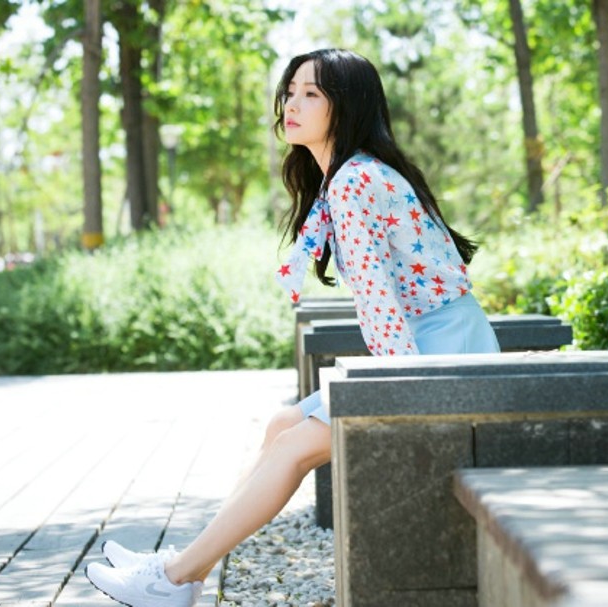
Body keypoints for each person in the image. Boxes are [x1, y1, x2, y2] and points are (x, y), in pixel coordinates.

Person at [85, 48, 500, 607]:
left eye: (311, 94)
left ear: (346, 106)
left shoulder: (354, 181)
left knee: (293, 446)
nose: (291, 104)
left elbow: (379, 304)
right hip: (436, 342)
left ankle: (174, 578)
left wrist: (391, 388)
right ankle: (188, 566)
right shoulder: (346, 176)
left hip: (443, 354)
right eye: (290, 91)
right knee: (283, 424)